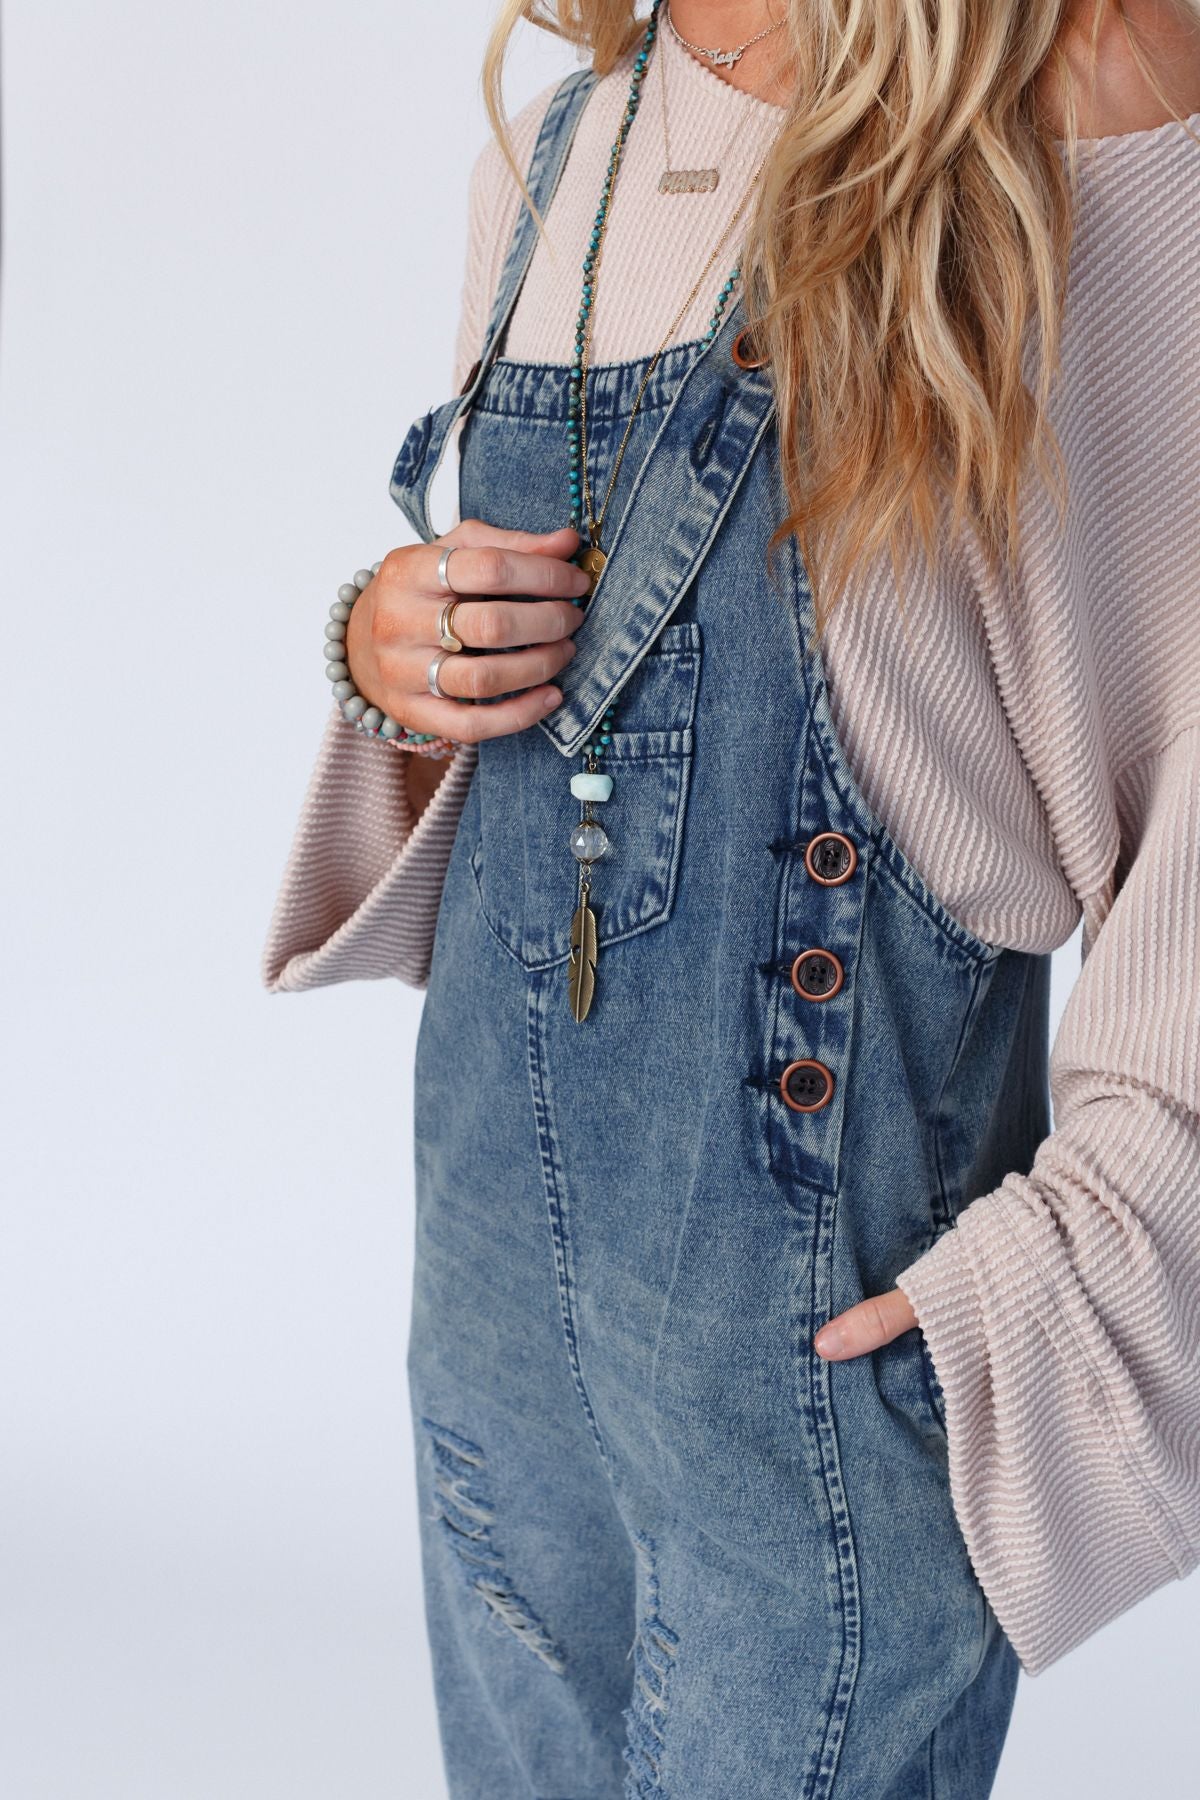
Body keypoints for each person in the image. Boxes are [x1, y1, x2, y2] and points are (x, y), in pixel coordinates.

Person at [261, 2, 1200, 1793]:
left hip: (814, 1392)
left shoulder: (1080, 90)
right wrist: (394, 653)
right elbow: (582, 757)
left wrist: (1093, 1257)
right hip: (494, 1322)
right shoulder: (562, 147)